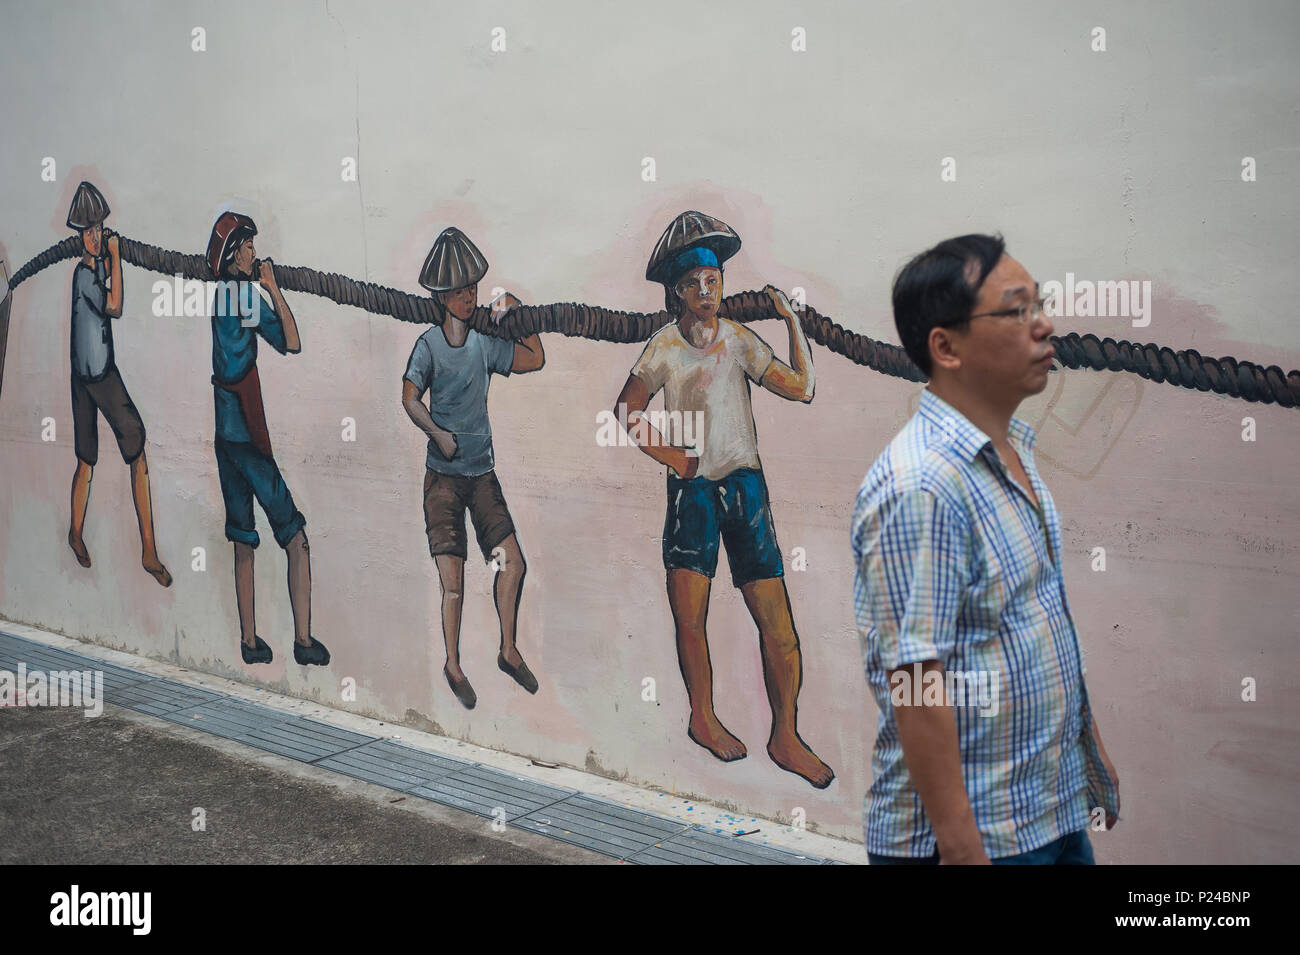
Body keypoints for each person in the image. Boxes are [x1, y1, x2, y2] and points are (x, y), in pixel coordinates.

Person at [851, 233, 1121, 864]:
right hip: (978, 838)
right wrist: (964, 851)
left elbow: (1037, 622)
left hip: (1045, 810)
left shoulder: (1011, 451)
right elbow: (916, 680)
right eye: (1017, 310)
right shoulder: (922, 485)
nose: (1045, 324)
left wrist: (1087, 751)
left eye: (1040, 304)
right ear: (945, 346)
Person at [612, 210, 834, 789]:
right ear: (678, 293)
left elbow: (803, 388)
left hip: (745, 489)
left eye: (714, 280)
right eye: (695, 284)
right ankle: (702, 718)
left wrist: (791, 322)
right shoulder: (663, 347)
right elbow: (625, 412)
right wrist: (676, 460)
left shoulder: (739, 340)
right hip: (693, 495)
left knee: (777, 624)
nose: (707, 291)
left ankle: (785, 735)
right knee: (691, 619)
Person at [402, 227, 545, 709]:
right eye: (459, 292)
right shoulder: (428, 346)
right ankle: (453, 663)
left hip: (482, 475)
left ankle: (507, 648)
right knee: (454, 581)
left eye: (472, 291)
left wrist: (520, 313)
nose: (468, 299)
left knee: (512, 563)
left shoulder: (485, 344)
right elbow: (408, 398)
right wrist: (436, 433)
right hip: (442, 479)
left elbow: (534, 359)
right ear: (441, 298)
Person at [206, 211, 328, 667]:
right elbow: (292, 342)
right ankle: (303, 639)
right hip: (247, 434)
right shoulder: (245, 297)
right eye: (249, 246)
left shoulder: (220, 295)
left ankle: (249, 642)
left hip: (224, 431)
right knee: (294, 534)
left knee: (242, 538)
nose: (255, 252)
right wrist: (273, 287)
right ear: (235, 254)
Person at [64, 181, 172, 587]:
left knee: (125, 453)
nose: (94, 237)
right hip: (94, 378)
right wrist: (116, 258)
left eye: (98, 230)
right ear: (80, 237)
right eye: (88, 232)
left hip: (91, 373)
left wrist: (110, 259)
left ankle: (146, 550)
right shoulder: (85, 276)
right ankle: (80, 533)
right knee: (97, 459)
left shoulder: (93, 269)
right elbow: (116, 306)